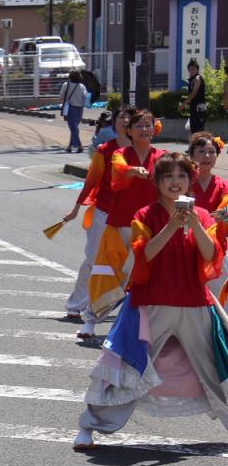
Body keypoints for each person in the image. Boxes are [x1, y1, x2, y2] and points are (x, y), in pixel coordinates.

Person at [75, 152, 228, 450]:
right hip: (150, 305)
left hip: (195, 304)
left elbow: (212, 257)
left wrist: (195, 222)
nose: (175, 182)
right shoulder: (145, 215)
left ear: (189, 181)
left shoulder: (205, 217)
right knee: (128, 369)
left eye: (181, 176)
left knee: (217, 369)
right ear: (157, 182)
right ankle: (89, 426)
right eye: (168, 176)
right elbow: (144, 257)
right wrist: (171, 226)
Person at [86, 110, 167, 335]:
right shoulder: (120, 154)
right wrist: (133, 170)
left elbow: (177, 178)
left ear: (155, 129)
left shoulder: (162, 156)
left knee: (146, 276)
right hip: (121, 222)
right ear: (129, 131)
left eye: (148, 125)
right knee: (112, 272)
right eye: (138, 126)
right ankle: (91, 318)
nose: (144, 130)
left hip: (151, 226)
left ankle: (143, 327)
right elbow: (118, 172)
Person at [64, 105, 135, 335]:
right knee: (94, 259)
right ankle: (76, 305)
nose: (125, 122)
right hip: (104, 213)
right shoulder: (105, 150)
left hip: (133, 217)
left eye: (129, 119)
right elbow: (91, 182)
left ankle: (109, 304)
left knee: (129, 265)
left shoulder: (142, 151)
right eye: (121, 118)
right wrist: (76, 208)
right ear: (114, 123)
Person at [186, 132, 227, 212]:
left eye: (211, 152)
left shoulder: (223, 186)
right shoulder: (184, 183)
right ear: (192, 155)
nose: (207, 156)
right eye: (201, 151)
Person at [58, 70, 88, 153]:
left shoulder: (66, 85)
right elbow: (85, 97)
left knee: (74, 129)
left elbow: (61, 97)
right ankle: (69, 146)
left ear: (70, 76)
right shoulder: (82, 86)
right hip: (80, 109)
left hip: (70, 108)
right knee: (74, 129)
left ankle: (79, 145)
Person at [181, 59, 207, 134]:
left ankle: (200, 145)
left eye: (194, 69)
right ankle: (195, 145)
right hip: (194, 109)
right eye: (190, 69)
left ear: (197, 69)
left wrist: (183, 104)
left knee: (198, 132)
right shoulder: (192, 80)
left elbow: (193, 94)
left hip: (200, 109)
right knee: (194, 131)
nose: (191, 71)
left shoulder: (197, 79)